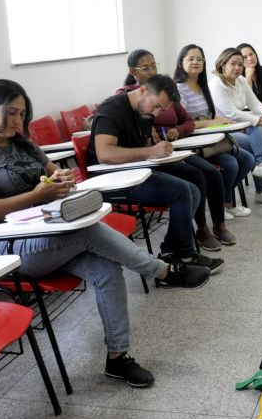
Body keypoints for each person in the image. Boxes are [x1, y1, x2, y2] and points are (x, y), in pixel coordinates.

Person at [0, 80, 211, 388]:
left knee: (107, 268)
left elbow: (54, 174)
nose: (18, 122)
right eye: (11, 113)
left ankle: (117, 358)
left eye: (22, 114)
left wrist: (60, 179)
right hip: (5, 248)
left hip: (49, 234)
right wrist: (38, 194)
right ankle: (162, 270)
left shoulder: (22, 143)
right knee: (87, 229)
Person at [88, 73, 222, 273]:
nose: (158, 113)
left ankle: (169, 252)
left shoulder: (146, 112)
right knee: (182, 191)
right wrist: (150, 152)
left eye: (163, 109)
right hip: (113, 179)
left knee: (195, 178)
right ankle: (185, 255)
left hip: (136, 168)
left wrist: (159, 149)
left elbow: (143, 147)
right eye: (156, 106)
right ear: (142, 91)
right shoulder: (112, 108)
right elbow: (104, 154)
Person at [120, 49, 236, 251]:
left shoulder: (164, 90)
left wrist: (177, 130)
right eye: (145, 67)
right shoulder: (126, 95)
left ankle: (219, 224)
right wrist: (149, 133)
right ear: (133, 71)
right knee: (197, 176)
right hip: (148, 157)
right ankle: (201, 229)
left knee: (212, 173)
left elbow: (188, 121)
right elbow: (131, 125)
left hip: (173, 148)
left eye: (154, 65)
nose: (152, 70)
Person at [173, 44, 257, 218]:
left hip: (211, 140)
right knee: (231, 164)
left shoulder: (203, 86)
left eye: (200, 59)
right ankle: (221, 204)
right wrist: (212, 122)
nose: (196, 62)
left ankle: (223, 201)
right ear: (181, 62)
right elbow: (183, 124)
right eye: (191, 58)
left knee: (247, 159)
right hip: (192, 144)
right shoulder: (179, 89)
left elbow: (210, 117)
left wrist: (218, 122)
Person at [210, 47, 262, 206]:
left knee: (259, 135)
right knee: (258, 136)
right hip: (220, 132)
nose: (238, 68)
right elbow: (231, 113)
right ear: (222, 64)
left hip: (236, 129)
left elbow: (255, 104)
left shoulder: (240, 81)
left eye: (240, 64)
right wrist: (260, 120)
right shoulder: (216, 83)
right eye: (233, 64)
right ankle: (261, 185)